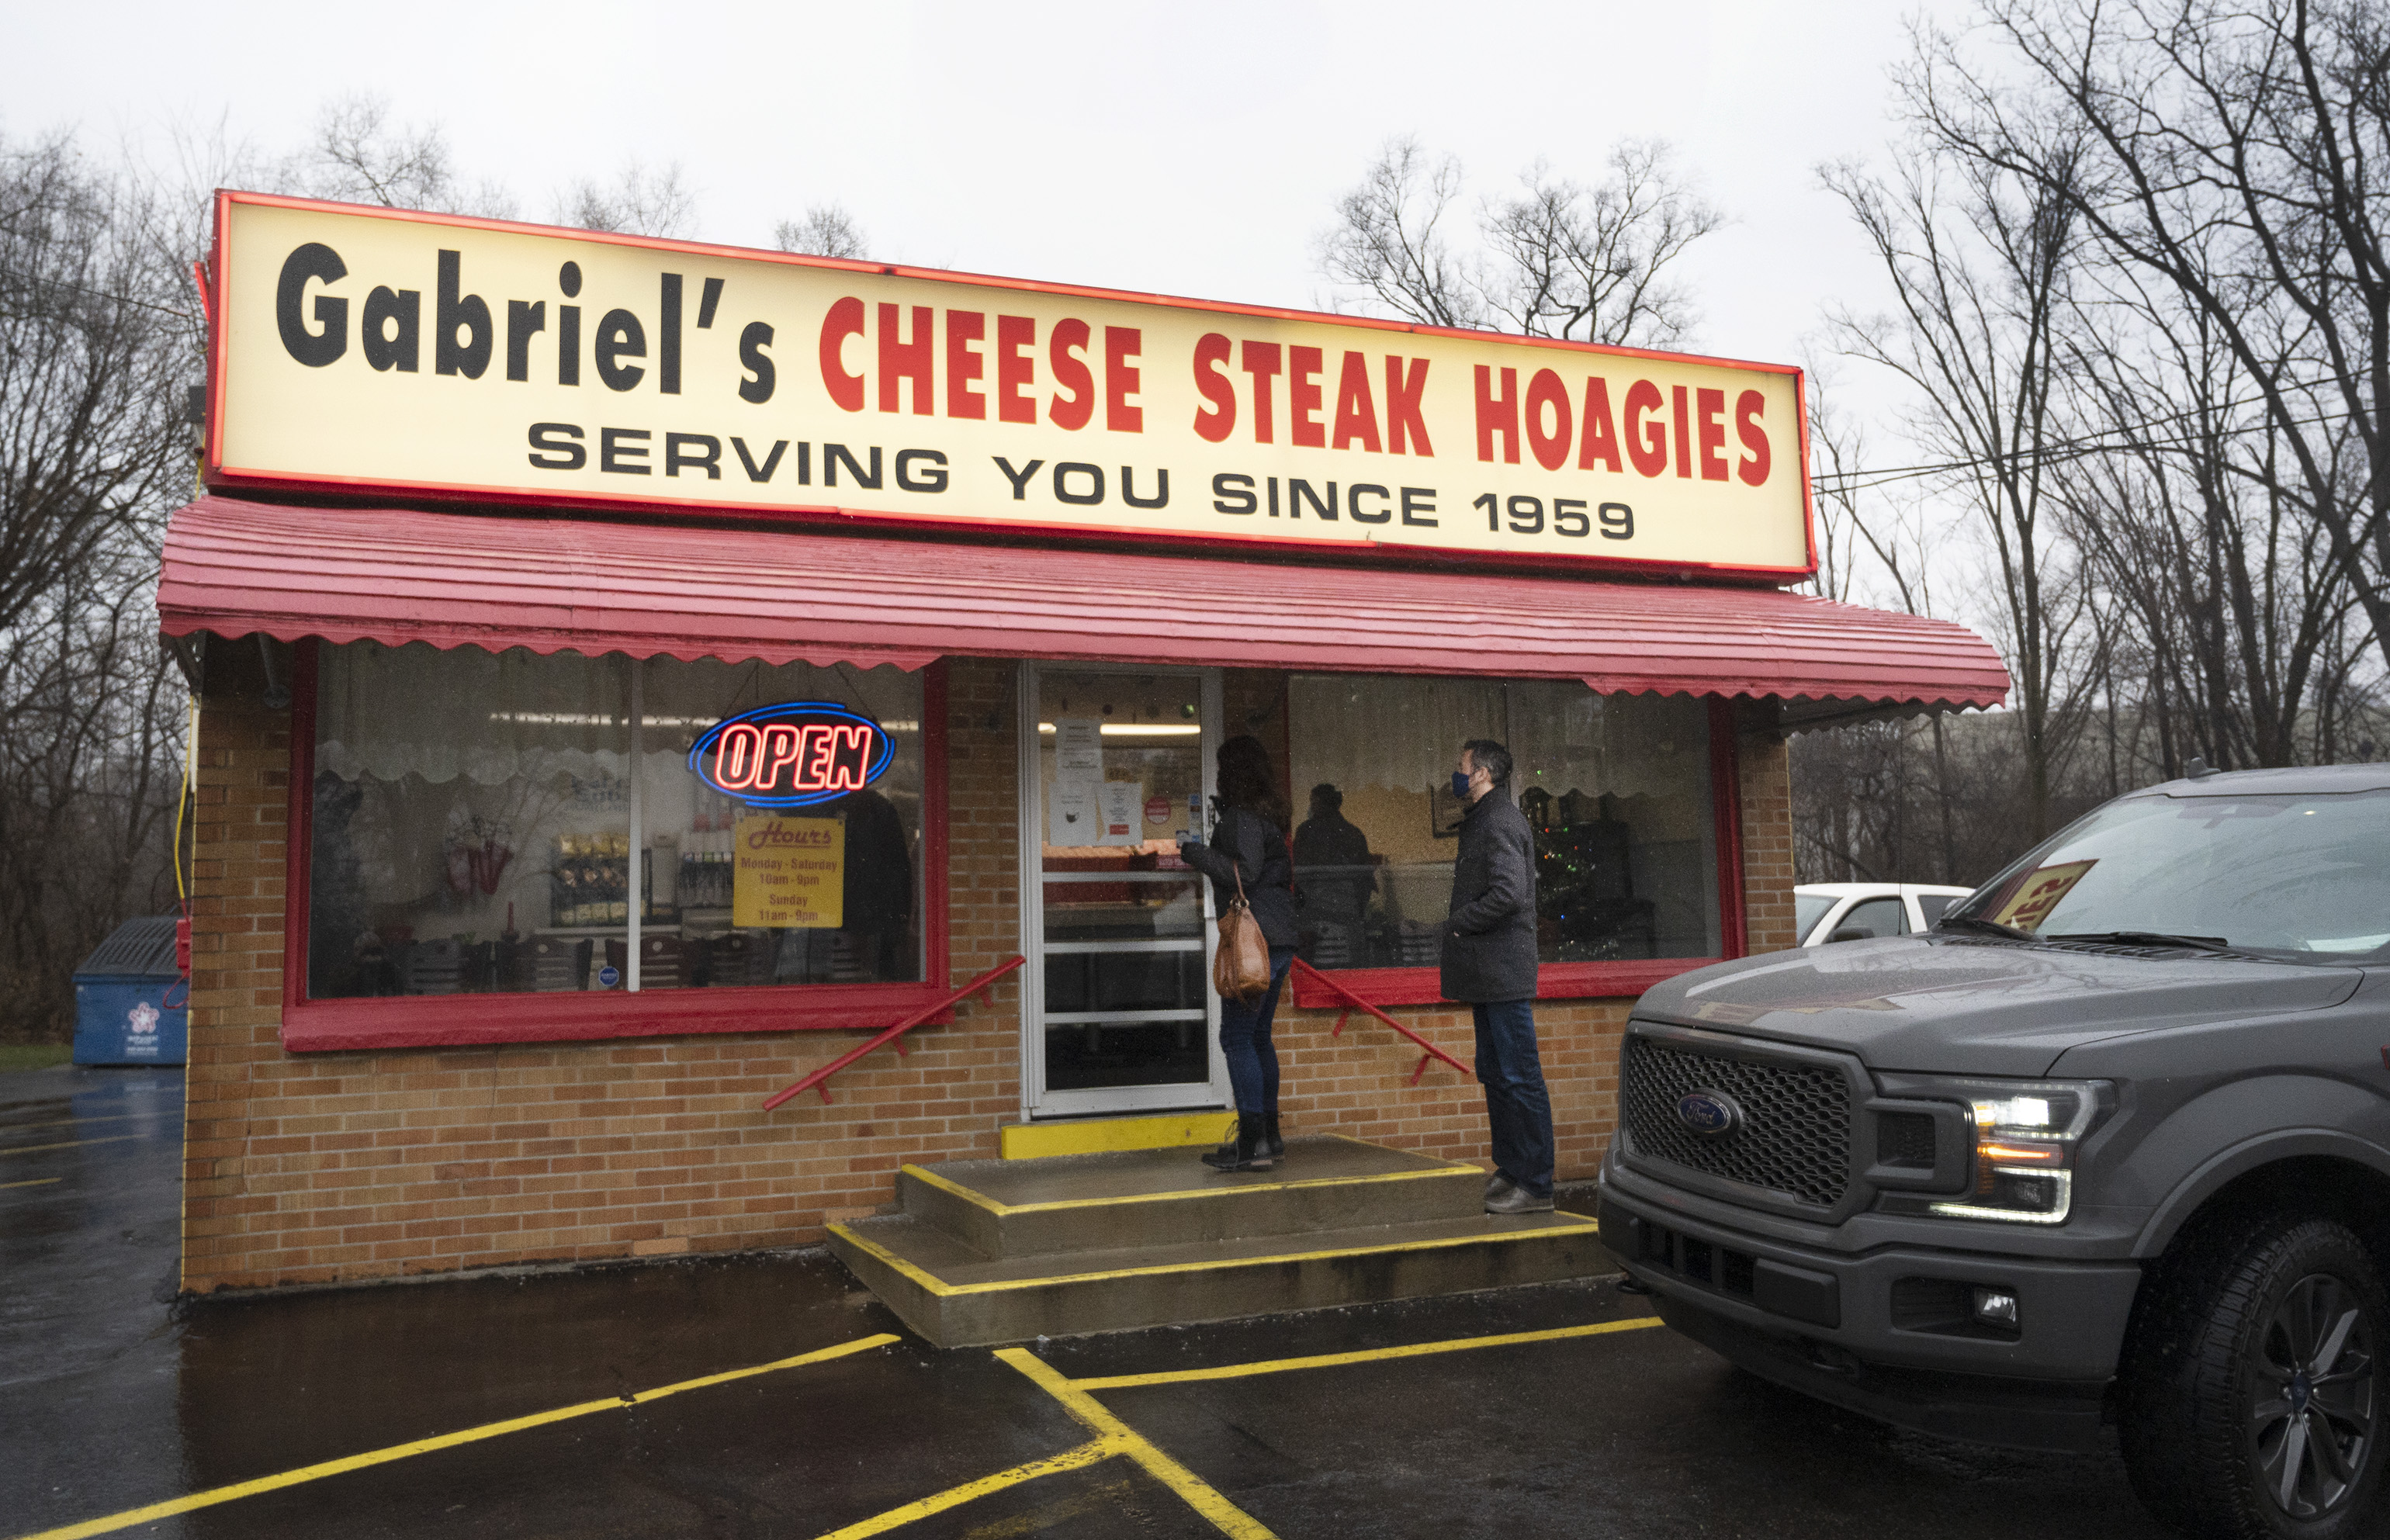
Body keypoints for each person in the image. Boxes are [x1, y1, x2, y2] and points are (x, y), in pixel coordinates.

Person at [1178, 735, 1297, 1172]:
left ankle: (1253, 1144)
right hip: (1278, 937)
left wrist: (1196, 852)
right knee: (1258, 1037)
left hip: (1254, 939)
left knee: (1236, 1038)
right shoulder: (1268, 816)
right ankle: (1270, 1136)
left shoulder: (1243, 819)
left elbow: (1242, 871)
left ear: (1233, 773)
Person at [1444, 739, 1554, 1213]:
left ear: (1482, 773)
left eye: (1461, 767)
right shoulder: (1485, 820)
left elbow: (1510, 892)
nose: (1456, 774)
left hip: (1503, 970)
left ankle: (1535, 1183)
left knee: (1519, 1074)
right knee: (1495, 1073)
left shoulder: (1500, 821)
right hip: (1489, 972)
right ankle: (1512, 1169)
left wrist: (1460, 920)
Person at [1292, 782, 1376, 926]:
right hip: (1347, 909)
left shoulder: (1307, 831)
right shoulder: (1353, 833)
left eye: (1313, 801)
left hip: (1317, 907)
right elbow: (1365, 877)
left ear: (1322, 803)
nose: (1311, 806)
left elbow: (1299, 869)